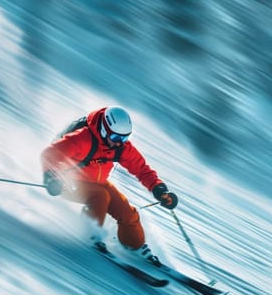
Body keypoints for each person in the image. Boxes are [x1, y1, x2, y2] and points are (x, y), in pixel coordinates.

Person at [40, 106, 178, 264]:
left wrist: (159, 189)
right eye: (116, 137)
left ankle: (135, 247)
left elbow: (142, 169)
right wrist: (50, 176)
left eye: (124, 138)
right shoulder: (82, 139)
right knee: (100, 196)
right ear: (104, 130)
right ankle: (91, 235)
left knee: (127, 212)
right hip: (66, 182)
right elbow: (49, 154)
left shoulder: (120, 147)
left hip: (96, 183)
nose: (120, 143)